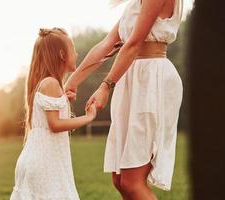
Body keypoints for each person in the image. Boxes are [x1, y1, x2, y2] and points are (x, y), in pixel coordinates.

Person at [65, 0, 184, 199]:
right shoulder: (136, 5)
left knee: (132, 182)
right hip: (131, 78)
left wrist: (105, 86)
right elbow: (106, 44)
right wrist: (73, 80)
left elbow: (134, 44)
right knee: (120, 180)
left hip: (151, 80)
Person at [10, 27, 97, 200]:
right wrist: (88, 117)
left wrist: (63, 101)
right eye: (73, 50)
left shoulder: (49, 84)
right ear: (62, 55)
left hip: (41, 161)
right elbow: (55, 125)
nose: (77, 54)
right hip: (44, 164)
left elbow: (50, 119)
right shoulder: (51, 83)